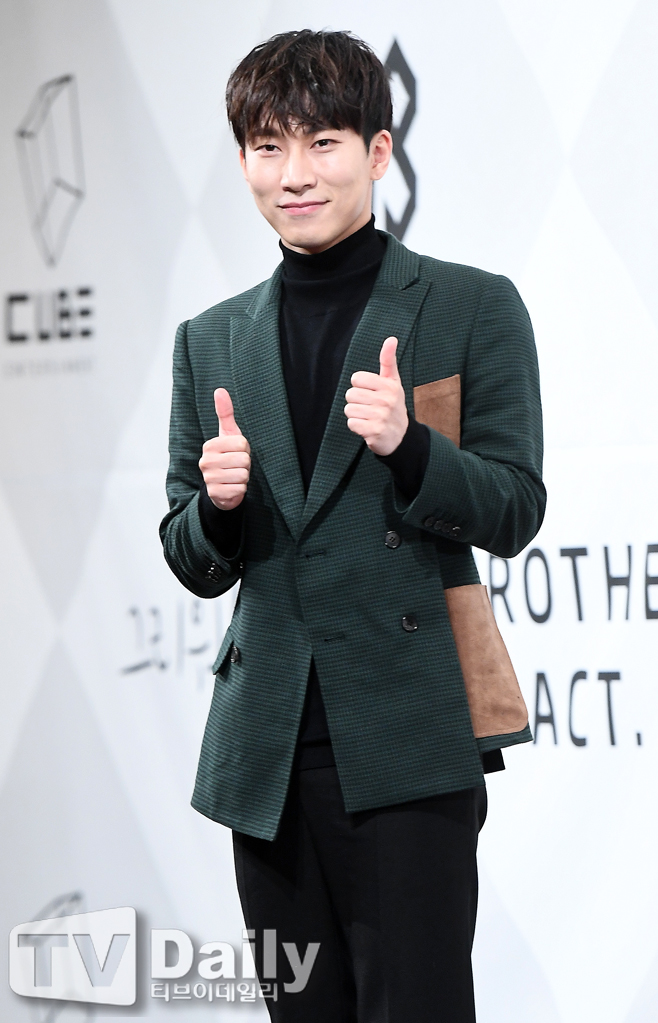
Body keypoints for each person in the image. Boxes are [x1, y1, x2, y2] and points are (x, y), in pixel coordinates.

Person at [160, 28, 545, 1023]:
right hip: (266, 754)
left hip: (409, 741)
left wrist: (411, 449)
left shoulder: (469, 306)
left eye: (322, 143)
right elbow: (189, 555)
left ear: (378, 152)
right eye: (268, 147)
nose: (294, 174)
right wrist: (216, 507)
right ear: (243, 162)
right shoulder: (210, 340)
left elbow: (514, 505)